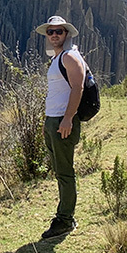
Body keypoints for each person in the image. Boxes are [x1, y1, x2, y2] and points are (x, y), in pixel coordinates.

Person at [35, 14, 87, 239]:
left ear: (67, 33)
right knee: (59, 170)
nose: (54, 35)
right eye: (51, 31)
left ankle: (65, 220)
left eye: (59, 31)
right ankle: (66, 215)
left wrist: (67, 119)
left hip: (62, 122)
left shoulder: (70, 57)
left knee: (65, 173)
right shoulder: (58, 58)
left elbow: (78, 88)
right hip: (52, 120)